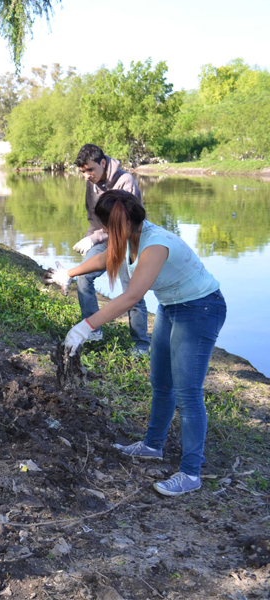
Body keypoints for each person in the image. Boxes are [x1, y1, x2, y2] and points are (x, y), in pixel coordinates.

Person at [46, 190, 226, 496]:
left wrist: (85, 326)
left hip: (200, 309)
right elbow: (108, 257)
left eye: (105, 229)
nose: (103, 234)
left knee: (187, 392)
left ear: (119, 224)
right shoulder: (132, 234)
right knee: (161, 382)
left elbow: (131, 297)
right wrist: (69, 273)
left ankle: (191, 472)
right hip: (172, 307)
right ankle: (152, 446)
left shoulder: (155, 245)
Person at [71, 144, 150, 353]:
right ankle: (93, 331)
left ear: (103, 163)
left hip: (126, 240)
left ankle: (141, 344)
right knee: (83, 277)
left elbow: (123, 224)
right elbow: (94, 218)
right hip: (103, 240)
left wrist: (93, 238)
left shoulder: (125, 181)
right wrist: (89, 239)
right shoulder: (92, 183)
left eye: (90, 170)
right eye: (83, 172)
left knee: (132, 292)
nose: (87, 176)